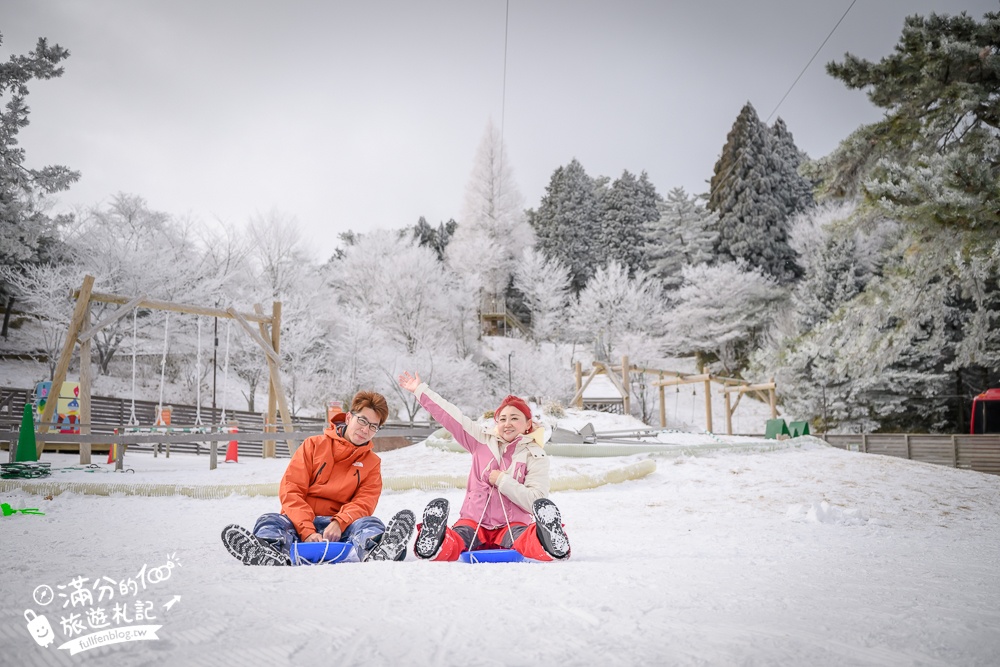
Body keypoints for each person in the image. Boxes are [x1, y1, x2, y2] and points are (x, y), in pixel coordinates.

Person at [221, 390, 415, 565]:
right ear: (349, 417)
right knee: (270, 520)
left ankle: (380, 550)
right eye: (362, 421)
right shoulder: (313, 446)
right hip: (298, 524)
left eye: (373, 426)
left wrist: (339, 523)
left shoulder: (371, 463)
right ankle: (267, 551)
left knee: (370, 523)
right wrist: (306, 530)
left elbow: (364, 502)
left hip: (341, 528)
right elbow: (291, 490)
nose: (366, 430)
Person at [397, 371, 570, 562]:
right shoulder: (480, 440)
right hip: (473, 521)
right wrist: (420, 390)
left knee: (527, 540)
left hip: (512, 524)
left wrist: (503, 481)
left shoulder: (535, 455)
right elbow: (451, 417)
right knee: (456, 540)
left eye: (514, 418)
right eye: (502, 419)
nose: (507, 424)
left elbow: (536, 501)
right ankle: (435, 541)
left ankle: (549, 541)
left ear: (528, 423)